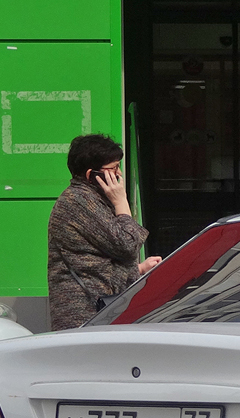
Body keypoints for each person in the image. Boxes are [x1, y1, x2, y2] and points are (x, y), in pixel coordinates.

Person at [47, 134, 161, 331]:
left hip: (99, 309)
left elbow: (98, 259)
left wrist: (139, 269)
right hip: (85, 313)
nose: (119, 174)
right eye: (114, 168)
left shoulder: (92, 199)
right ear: (92, 174)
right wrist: (121, 203)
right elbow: (127, 245)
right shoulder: (79, 202)